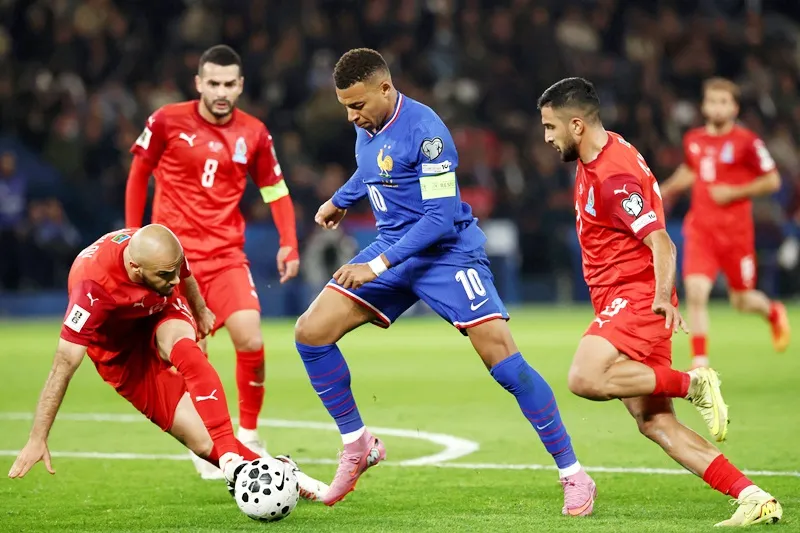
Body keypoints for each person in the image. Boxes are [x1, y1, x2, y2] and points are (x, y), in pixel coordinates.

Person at [293, 48, 596, 513]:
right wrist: (342, 198)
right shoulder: (368, 127)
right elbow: (374, 167)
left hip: (446, 255)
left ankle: (573, 474)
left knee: (505, 362)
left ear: (385, 89)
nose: (351, 116)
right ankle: (358, 445)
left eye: (357, 105)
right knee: (310, 333)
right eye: (345, 107)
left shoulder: (427, 132)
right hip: (394, 246)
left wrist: (375, 267)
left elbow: (438, 218)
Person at [538, 77, 782, 527]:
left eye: (551, 128)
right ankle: (753, 496)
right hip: (620, 295)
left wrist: (659, 298)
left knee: (584, 376)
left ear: (576, 125)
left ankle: (692, 384)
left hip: (635, 297)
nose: (547, 139)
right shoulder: (601, 150)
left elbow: (663, 243)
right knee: (654, 422)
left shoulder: (613, 176)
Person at [126, 45, 303, 479]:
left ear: (240, 86)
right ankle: (205, 440)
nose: (221, 92)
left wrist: (289, 243)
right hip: (174, 262)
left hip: (225, 255)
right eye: (213, 83)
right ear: (199, 83)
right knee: (193, 353)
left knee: (251, 338)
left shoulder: (255, 133)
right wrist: (134, 238)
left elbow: (275, 190)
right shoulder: (166, 120)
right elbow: (138, 175)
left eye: (229, 84)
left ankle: (251, 432)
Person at [8, 225, 256, 485]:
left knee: (185, 350)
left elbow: (183, 273)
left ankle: (232, 456)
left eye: (174, 271)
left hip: (160, 311)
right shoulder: (91, 289)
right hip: (121, 355)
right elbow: (64, 363)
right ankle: (277, 471)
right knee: (201, 443)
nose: (174, 280)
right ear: (136, 267)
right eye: (164, 274)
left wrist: (201, 309)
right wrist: (38, 437)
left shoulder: (162, 252)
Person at [660, 77, 790, 369]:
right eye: (712, 101)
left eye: (723, 102)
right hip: (702, 230)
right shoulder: (693, 139)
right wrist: (665, 189)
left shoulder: (748, 142)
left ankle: (772, 312)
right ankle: (700, 363)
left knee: (741, 300)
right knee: (695, 291)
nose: (717, 108)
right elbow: (692, 171)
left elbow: (773, 180)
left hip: (736, 234)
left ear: (734, 108)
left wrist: (735, 191)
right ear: (704, 106)